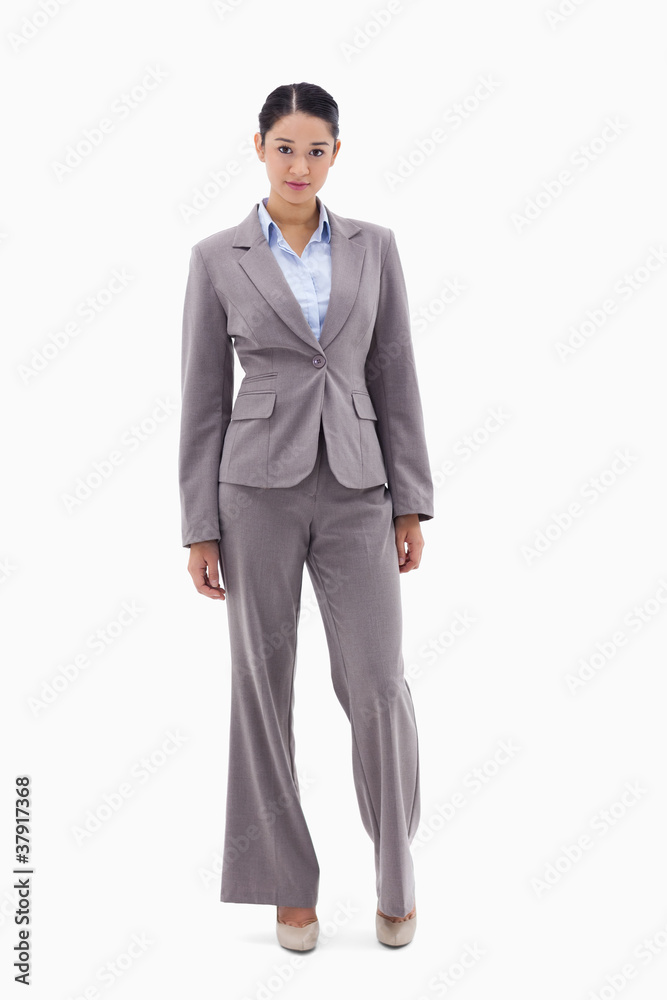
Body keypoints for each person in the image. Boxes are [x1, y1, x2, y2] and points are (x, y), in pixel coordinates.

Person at [178, 82, 434, 950]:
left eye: (314, 150)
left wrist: (411, 501)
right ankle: (288, 886)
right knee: (262, 685)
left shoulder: (375, 247)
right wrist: (198, 523)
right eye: (284, 147)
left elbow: (395, 372)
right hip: (252, 493)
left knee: (377, 683)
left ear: (335, 154)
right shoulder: (217, 257)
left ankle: (395, 873)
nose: (298, 165)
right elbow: (202, 400)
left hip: (360, 490)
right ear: (258, 147)